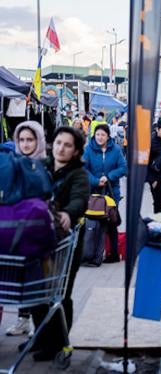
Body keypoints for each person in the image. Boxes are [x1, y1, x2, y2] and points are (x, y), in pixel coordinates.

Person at [26, 126, 90, 361]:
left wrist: (68, 214)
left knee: (60, 293)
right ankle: (40, 338)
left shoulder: (79, 174)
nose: (61, 148)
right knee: (36, 291)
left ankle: (58, 343)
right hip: (38, 238)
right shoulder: (41, 166)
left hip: (65, 242)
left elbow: (80, 199)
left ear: (75, 151)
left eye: (68, 145)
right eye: (59, 143)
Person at [5, 121, 47, 337]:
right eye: (21, 140)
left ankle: (34, 320)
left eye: (30, 139)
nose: (25, 144)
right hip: (15, 230)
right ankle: (23, 319)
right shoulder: (11, 163)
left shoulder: (45, 165)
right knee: (15, 276)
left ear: (38, 140)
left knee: (34, 277)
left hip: (35, 232)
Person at [83, 124, 127, 263]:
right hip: (93, 191)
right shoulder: (88, 149)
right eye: (97, 135)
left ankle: (113, 253)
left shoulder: (116, 150)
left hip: (111, 191)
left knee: (111, 220)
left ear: (108, 136)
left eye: (103, 135)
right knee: (93, 221)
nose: (100, 137)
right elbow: (83, 169)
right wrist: (96, 181)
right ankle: (91, 253)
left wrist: (109, 177)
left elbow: (123, 167)